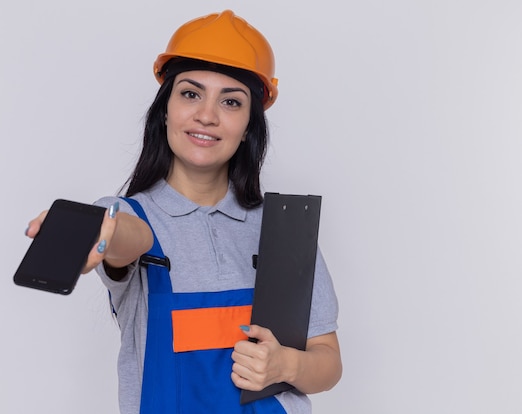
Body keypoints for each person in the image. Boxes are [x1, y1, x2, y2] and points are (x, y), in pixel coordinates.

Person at [26, 9, 341, 414]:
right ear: (165, 109)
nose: (206, 115)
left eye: (230, 101)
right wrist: (100, 232)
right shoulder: (131, 217)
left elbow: (328, 360)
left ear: (248, 126)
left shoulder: (284, 230)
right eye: (191, 93)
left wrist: (287, 364)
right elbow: (127, 238)